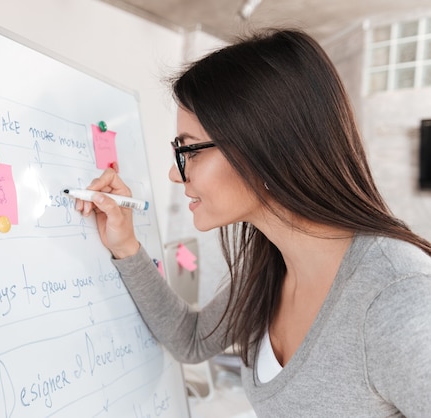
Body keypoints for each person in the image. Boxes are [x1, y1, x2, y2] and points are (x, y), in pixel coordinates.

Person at [75, 28, 431, 417]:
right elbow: (190, 340)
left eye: (188, 150)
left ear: (263, 146)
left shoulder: (400, 299)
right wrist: (125, 245)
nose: (175, 175)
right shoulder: (267, 268)